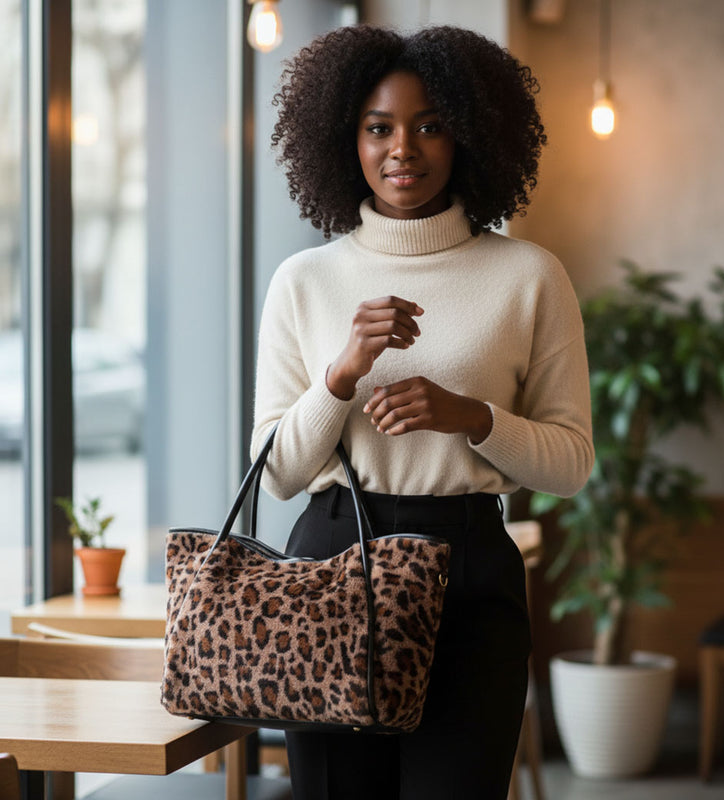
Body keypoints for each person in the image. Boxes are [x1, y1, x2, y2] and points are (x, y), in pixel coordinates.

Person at [251, 24, 594, 800]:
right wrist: (340, 375)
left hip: (471, 579)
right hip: (333, 567)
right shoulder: (303, 281)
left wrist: (473, 417)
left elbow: (571, 465)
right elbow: (274, 475)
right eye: (378, 128)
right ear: (348, 140)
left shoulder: (529, 276)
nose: (402, 148)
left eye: (429, 125)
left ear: (469, 135)